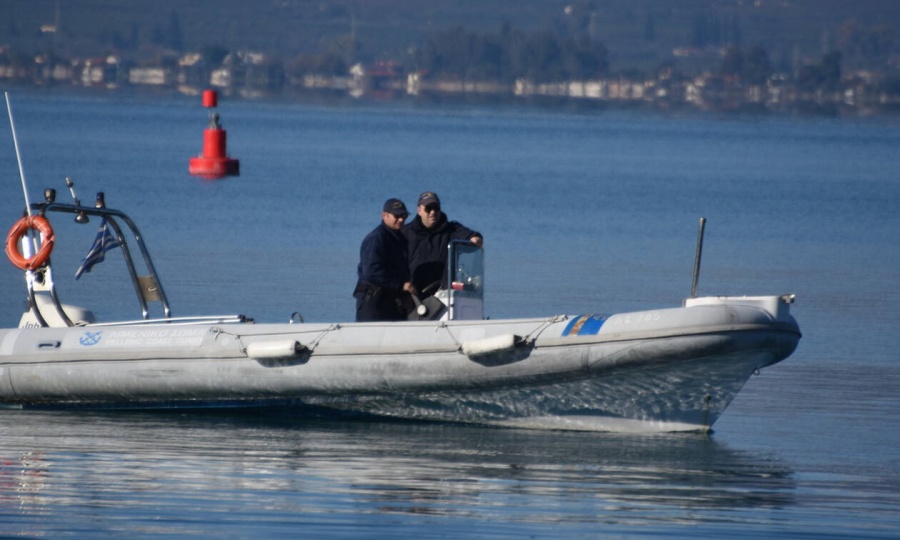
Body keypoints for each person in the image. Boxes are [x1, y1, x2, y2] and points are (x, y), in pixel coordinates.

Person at [402, 191, 483, 295]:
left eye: (436, 208)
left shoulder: (452, 229)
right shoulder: (405, 233)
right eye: (428, 208)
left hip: (442, 294)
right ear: (419, 210)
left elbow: (472, 236)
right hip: (413, 294)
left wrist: (475, 239)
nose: (432, 212)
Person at [353, 198, 417, 322]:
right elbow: (371, 272)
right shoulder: (376, 239)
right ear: (384, 215)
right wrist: (401, 285)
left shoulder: (399, 238)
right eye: (397, 216)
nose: (401, 220)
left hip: (391, 301)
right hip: (372, 301)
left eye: (404, 216)